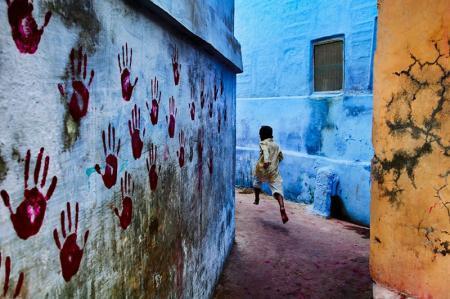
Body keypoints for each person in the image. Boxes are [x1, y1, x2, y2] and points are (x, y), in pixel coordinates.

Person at [253, 126, 289, 224]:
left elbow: (265, 151)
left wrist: (267, 161)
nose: (259, 136)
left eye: (260, 134)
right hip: (273, 171)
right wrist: (275, 163)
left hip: (263, 169)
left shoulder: (263, 143)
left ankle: (256, 198)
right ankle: (281, 206)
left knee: (257, 182)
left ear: (263, 135)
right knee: (277, 190)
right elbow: (281, 156)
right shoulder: (276, 145)